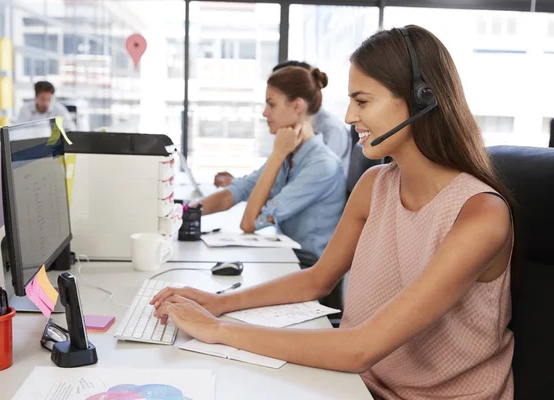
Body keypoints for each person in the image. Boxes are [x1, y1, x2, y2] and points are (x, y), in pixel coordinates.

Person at [151, 25, 516, 399]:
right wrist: (218, 303)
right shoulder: (375, 185)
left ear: (422, 99)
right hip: (359, 386)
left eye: (362, 101)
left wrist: (218, 330)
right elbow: (316, 281)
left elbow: (360, 349)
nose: (347, 116)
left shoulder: (480, 214)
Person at [194, 65, 346, 263]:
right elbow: (235, 193)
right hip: (287, 257)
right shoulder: (290, 153)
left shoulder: (322, 165)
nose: (265, 113)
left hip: (307, 266)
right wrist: (181, 214)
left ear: (297, 107)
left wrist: (277, 154)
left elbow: (249, 223)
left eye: (271, 104)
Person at [214, 61, 351, 187]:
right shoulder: (292, 138)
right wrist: (239, 184)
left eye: (272, 104)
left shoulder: (330, 130)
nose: (265, 113)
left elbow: (311, 179)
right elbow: (273, 178)